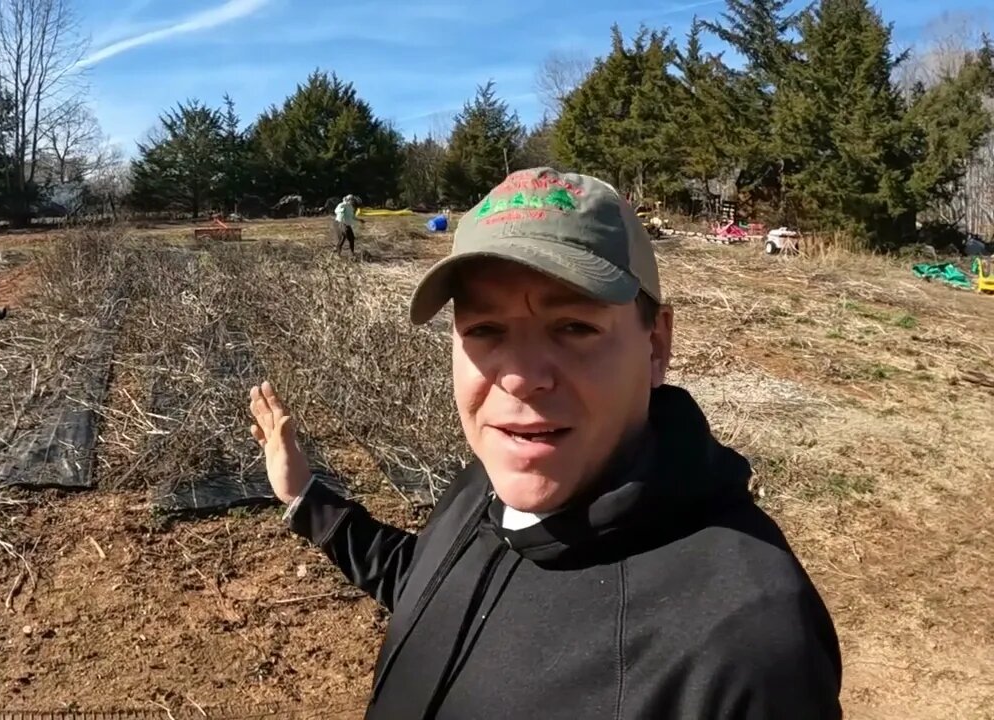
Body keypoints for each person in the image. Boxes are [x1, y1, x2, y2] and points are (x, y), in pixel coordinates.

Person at [248, 168, 842, 719]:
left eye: (574, 327)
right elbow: (427, 588)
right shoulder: (489, 481)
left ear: (656, 344)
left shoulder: (744, 648)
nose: (520, 377)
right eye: (485, 330)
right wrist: (306, 497)